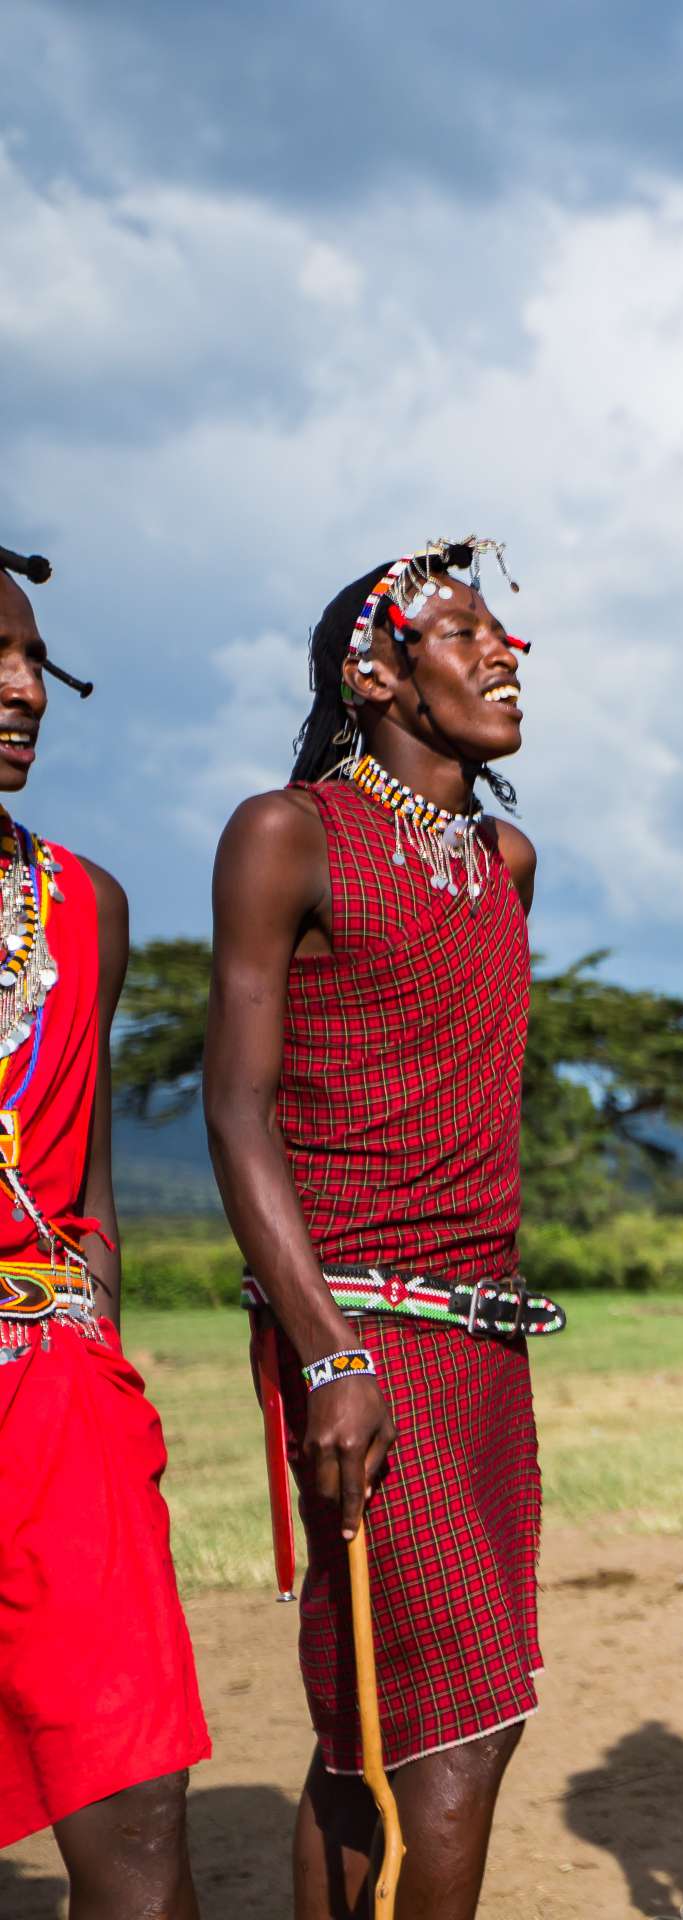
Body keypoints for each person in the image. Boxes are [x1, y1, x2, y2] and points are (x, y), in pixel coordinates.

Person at [204, 539, 553, 1920]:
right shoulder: (285, 835)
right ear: (375, 672)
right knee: (461, 1728)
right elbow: (237, 1116)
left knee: (379, 1734)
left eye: (500, 629)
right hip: (358, 1338)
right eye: (463, 631)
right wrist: (329, 1354)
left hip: (485, 1348)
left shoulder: (508, 862)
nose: (503, 650)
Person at [0, 557, 208, 1916]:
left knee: (133, 1801)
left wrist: (96, 1367)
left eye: (34, 661)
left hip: (53, 1402)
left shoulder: (88, 907)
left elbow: (93, 1186)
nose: (25, 689)